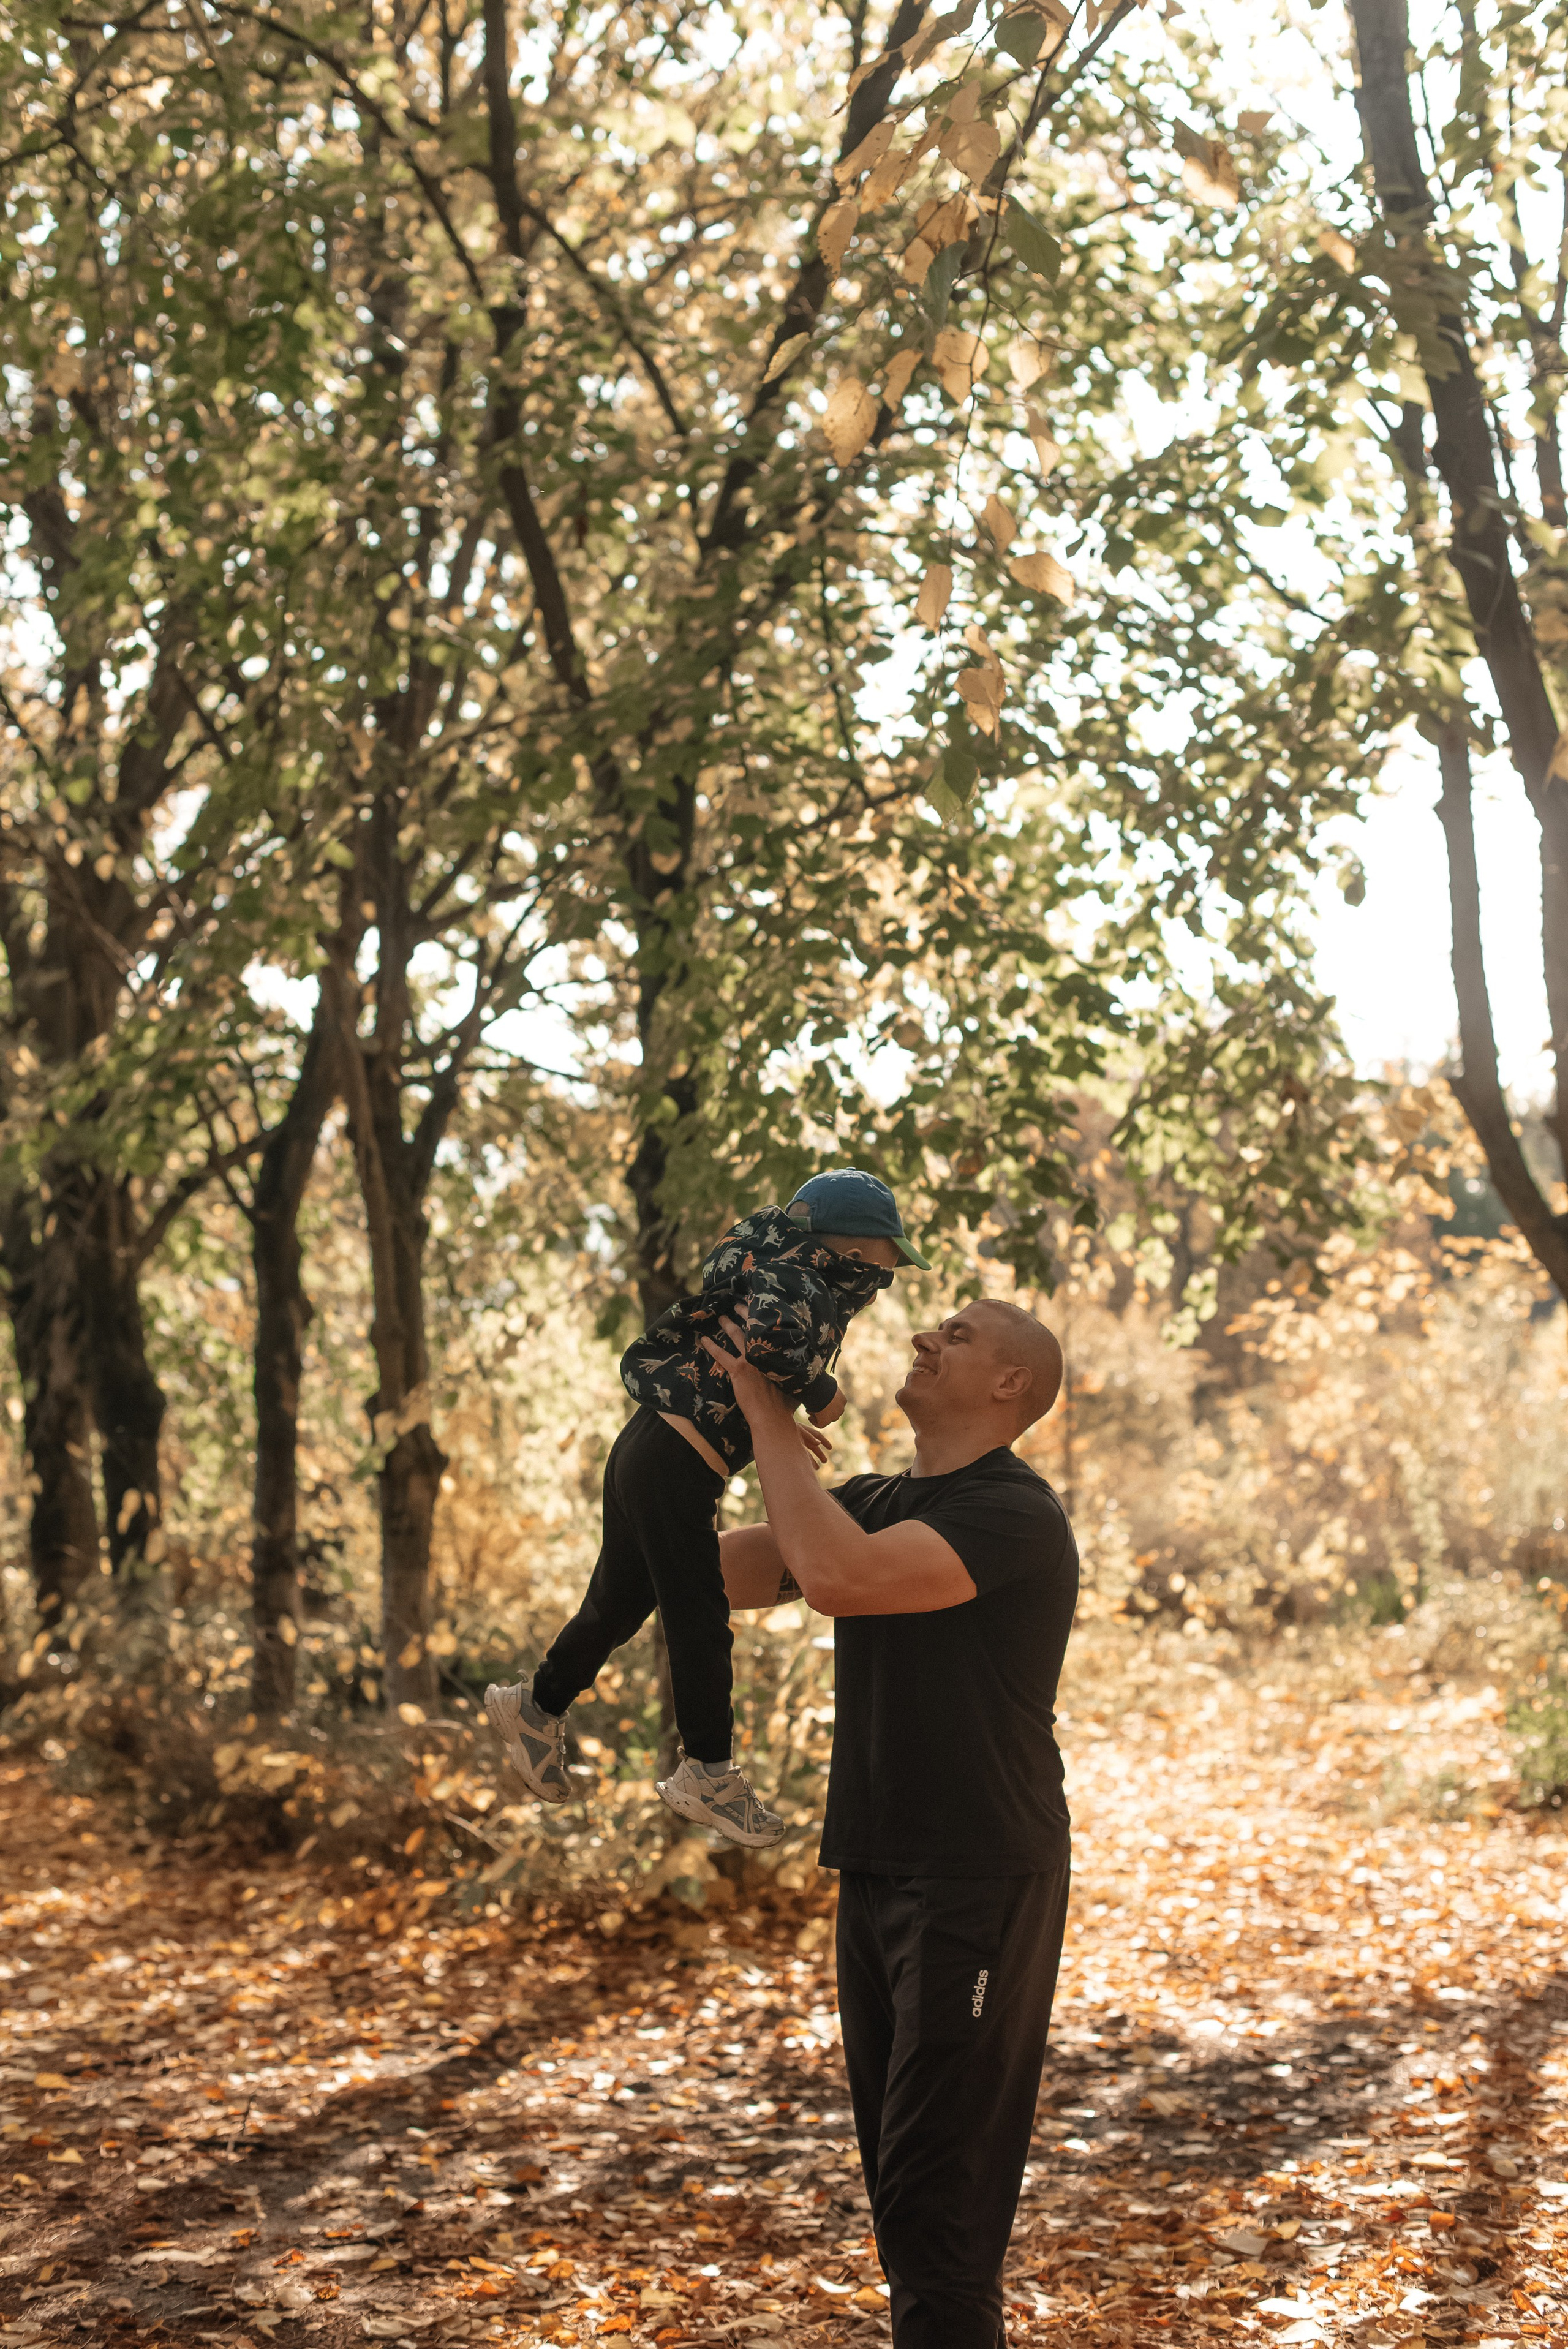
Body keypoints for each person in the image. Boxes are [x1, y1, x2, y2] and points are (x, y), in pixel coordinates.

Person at [710, 1295, 1076, 2349]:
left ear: (1011, 1384)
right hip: (877, 1871)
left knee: (937, 2213)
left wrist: (764, 1409)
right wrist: (678, 1447)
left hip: (980, 1877)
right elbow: (725, 1568)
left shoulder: (1014, 1513)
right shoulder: (872, 1500)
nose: (925, 1337)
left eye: (959, 1335)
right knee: (906, 2200)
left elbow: (835, 1578)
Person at [483, 1168, 930, 1847]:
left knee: (620, 1600)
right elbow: (774, 1345)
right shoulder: (804, 1279)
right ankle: (709, 1770)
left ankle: (537, 1705)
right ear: (859, 1253)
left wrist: (776, 1420)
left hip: (650, 1441)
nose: (883, 1281)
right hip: (675, 1464)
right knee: (699, 1616)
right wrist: (819, 1392)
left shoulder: (769, 1261)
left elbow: (740, 1361)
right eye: (887, 1264)